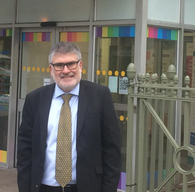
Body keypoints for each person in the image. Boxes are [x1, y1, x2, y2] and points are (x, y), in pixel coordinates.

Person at [17, 41, 121, 192]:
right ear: (51, 69)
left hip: (86, 187)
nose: (66, 70)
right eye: (59, 65)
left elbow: (112, 150)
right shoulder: (35, 99)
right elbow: (25, 151)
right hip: (44, 188)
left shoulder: (100, 96)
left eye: (71, 64)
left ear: (80, 66)